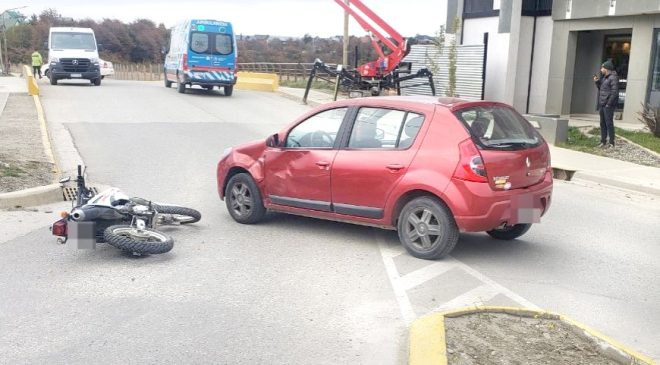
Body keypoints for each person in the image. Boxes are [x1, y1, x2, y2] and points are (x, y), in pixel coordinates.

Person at [593, 59, 619, 148]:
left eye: (602, 68)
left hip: (608, 105)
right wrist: (597, 82)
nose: (601, 69)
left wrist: (608, 104)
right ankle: (603, 141)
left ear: (606, 69)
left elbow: (614, 92)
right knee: (602, 123)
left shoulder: (613, 77)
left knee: (609, 123)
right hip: (602, 104)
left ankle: (612, 142)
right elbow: (602, 89)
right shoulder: (605, 77)